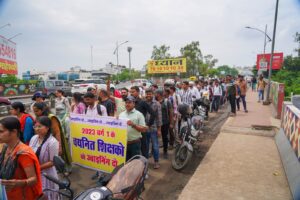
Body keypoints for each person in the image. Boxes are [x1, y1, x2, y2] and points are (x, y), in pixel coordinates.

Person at [0, 117, 43, 199]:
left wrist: (19, 183)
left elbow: (33, 179)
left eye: (1, 131)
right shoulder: (4, 147)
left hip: (22, 196)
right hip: (6, 195)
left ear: (14, 132)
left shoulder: (24, 154)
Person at [33, 102, 72, 171]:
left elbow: (57, 132)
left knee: (60, 156)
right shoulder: (38, 118)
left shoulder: (51, 117)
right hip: (44, 140)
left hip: (55, 140)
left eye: (37, 111)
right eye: (34, 111)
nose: (35, 113)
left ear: (42, 110)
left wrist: (59, 146)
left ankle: (67, 169)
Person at [30, 116, 59, 199]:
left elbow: (52, 162)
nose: (37, 129)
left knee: (47, 194)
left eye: (39, 126)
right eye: (35, 126)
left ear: (47, 127)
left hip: (47, 174)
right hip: (35, 172)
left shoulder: (52, 142)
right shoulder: (34, 138)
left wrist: (38, 168)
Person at [119, 96, 148, 161]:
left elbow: (143, 129)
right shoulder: (121, 114)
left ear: (134, 104)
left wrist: (133, 125)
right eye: (126, 103)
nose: (127, 104)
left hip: (135, 144)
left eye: (129, 102)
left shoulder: (139, 115)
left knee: (135, 163)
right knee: (125, 163)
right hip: (123, 144)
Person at [130, 86, 155, 158]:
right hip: (132, 128)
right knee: (133, 148)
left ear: (138, 92)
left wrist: (148, 125)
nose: (131, 93)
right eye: (130, 92)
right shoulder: (128, 102)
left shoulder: (142, 102)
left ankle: (145, 164)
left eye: (133, 92)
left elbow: (153, 113)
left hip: (141, 128)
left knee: (143, 147)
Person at [145, 89, 162, 169]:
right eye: (147, 94)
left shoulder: (157, 104)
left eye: (150, 94)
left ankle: (156, 161)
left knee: (155, 146)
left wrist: (159, 130)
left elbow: (159, 117)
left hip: (153, 128)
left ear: (153, 94)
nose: (148, 95)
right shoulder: (144, 103)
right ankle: (145, 162)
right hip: (144, 128)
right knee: (146, 146)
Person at [155, 89, 173, 159]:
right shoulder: (154, 102)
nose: (154, 95)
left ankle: (165, 151)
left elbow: (170, 113)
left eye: (155, 93)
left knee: (165, 137)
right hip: (156, 123)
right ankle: (154, 151)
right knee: (154, 138)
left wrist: (171, 123)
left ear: (159, 94)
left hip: (165, 123)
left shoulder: (167, 102)